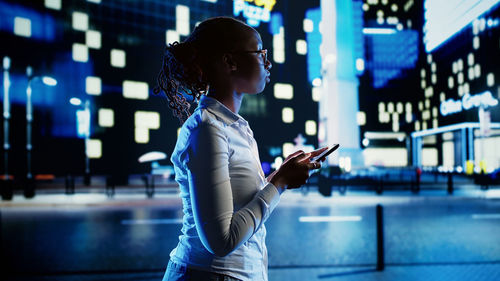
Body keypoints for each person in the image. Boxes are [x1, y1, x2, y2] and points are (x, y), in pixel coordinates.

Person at [155, 16, 328, 281]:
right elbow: (222, 241)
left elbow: (238, 203)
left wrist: (279, 175)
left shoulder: (234, 126)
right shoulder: (207, 129)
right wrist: (279, 183)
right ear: (230, 62)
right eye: (261, 53)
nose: (268, 62)